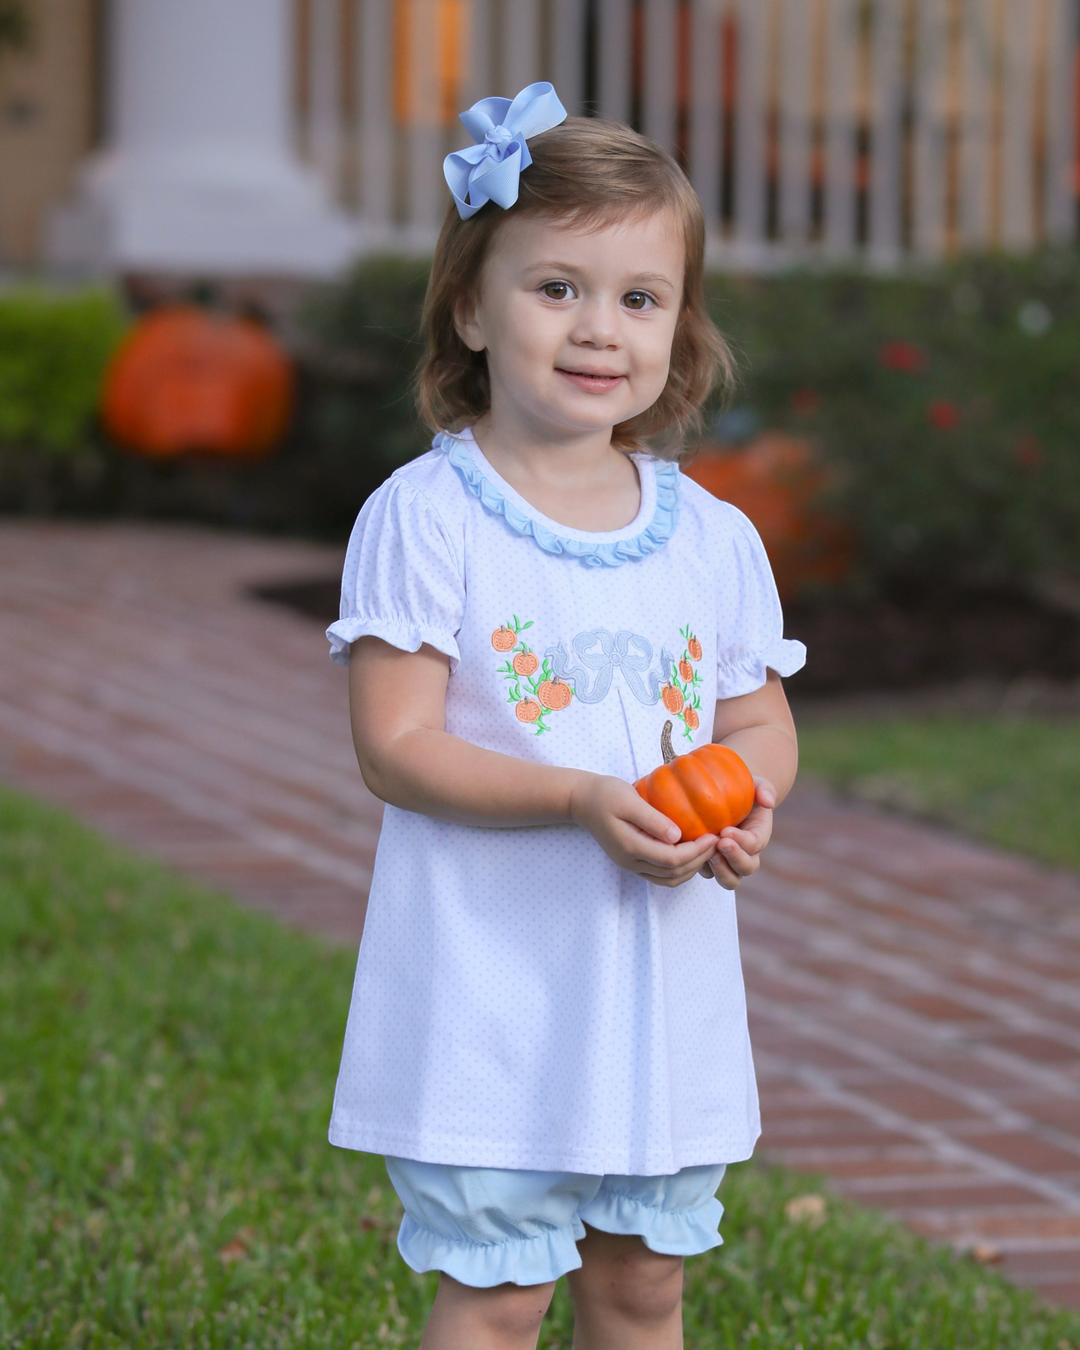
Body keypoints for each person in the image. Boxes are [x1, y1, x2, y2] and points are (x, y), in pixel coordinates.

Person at [326, 82, 804, 1350]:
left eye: (640, 299)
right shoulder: (428, 520)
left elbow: (761, 722)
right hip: (498, 988)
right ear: (472, 307)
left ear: (679, 328)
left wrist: (746, 799)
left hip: (657, 995)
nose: (601, 330)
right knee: (499, 1293)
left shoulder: (709, 535)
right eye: (557, 290)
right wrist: (581, 798)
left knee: (644, 1285)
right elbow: (397, 748)